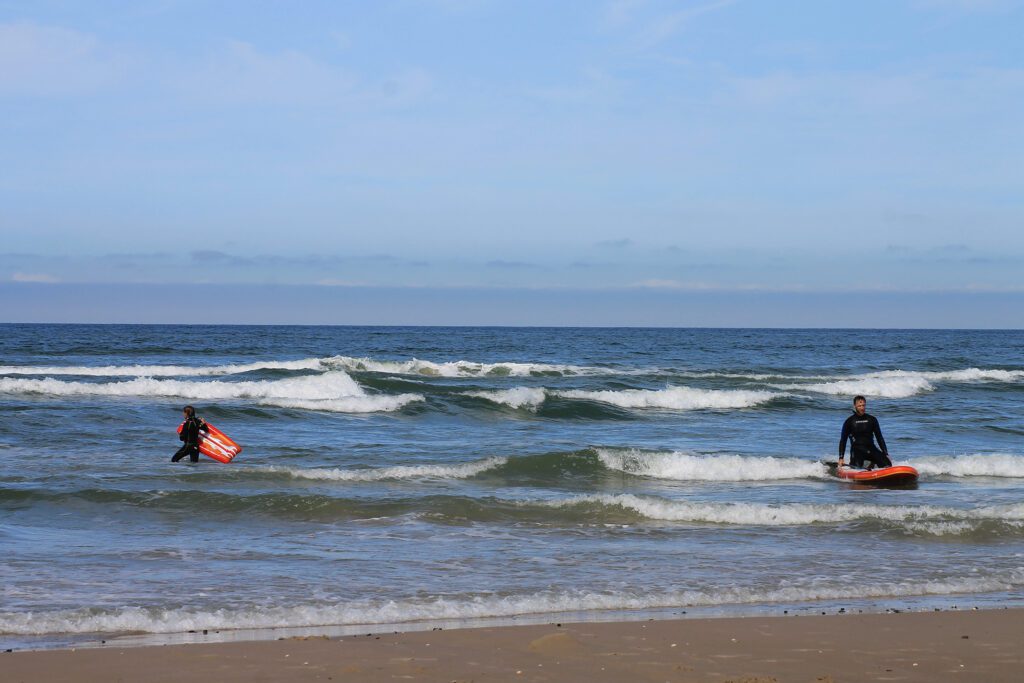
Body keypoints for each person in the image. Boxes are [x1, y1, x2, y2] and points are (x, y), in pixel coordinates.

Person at [838, 395, 891, 470]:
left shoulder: (872, 419)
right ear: (855, 406)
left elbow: (879, 437)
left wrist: (885, 453)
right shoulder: (849, 421)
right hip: (857, 450)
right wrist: (841, 458)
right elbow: (843, 440)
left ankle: (872, 462)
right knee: (857, 469)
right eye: (859, 406)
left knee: (888, 465)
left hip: (871, 448)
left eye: (863, 405)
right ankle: (867, 464)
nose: (862, 408)